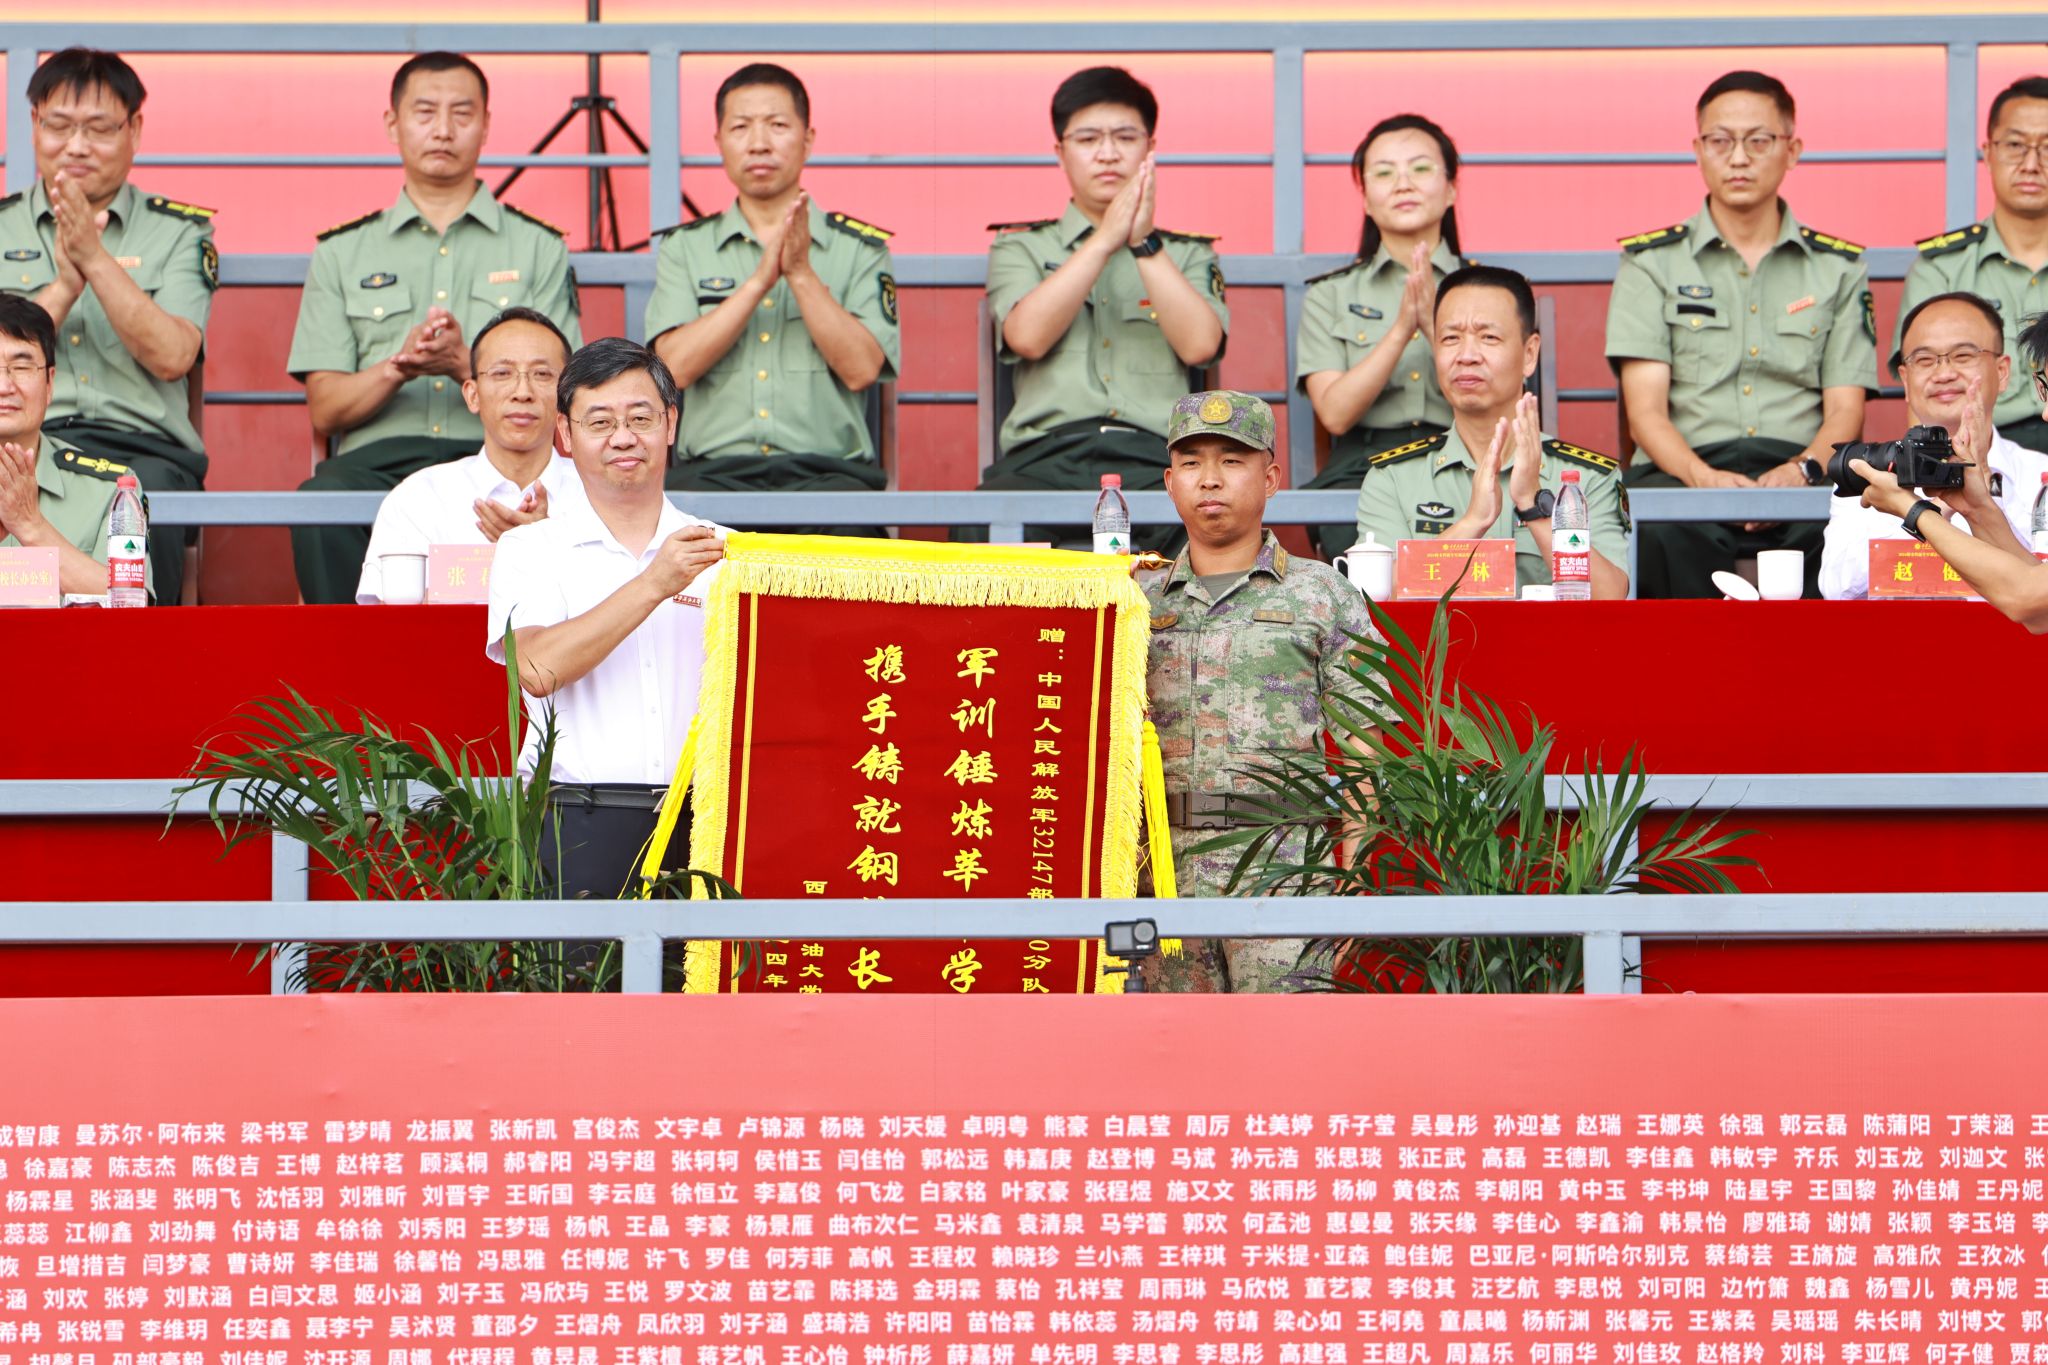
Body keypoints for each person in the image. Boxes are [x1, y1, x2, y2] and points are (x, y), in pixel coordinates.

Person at [289, 51, 583, 605]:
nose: (443, 130)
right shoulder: (342, 252)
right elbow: (325, 409)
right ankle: (341, 662)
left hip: (504, 454)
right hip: (378, 458)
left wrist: (464, 363)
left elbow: (567, 387)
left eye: (461, 113)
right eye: (425, 112)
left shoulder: (539, 246)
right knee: (320, 501)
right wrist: (397, 367)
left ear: (486, 125)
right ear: (393, 124)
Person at [1136, 390, 1380, 994]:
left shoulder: (1322, 594)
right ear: (1170, 483)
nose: (1210, 479)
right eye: (1191, 463)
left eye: (1232, 461)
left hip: (1283, 866)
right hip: (1161, 875)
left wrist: (1354, 882)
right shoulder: (1135, 599)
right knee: (1171, 1050)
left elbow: (1365, 753)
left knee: (1288, 1048)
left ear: (1270, 479)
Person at [1605, 70, 1876, 599]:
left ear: (1792, 150)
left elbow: (1846, 408)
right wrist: (1701, 477)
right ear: (1698, 151)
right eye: (1720, 141)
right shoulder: (1651, 264)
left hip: (1803, 463)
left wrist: (1802, 470)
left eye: (1758, 141)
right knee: (1661, 529)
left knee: (1851, 523)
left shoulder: (1838, 269)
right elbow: (1645, 413)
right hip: (1683, 466)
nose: (1738, 158)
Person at [487, 337, 727, 899]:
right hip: (577, 818)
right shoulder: (530, 549)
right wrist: (653, 584)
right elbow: (537, 669)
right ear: (566, 435)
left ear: (670, 424)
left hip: (708, 819)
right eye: (600, 422)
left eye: (640, 418)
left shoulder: (725, 550)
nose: (623, 437)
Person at [980, 66, 1229, 548]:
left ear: (1149, 148)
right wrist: (1104, 239)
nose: (1108, 153)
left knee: (1213, 536)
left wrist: (1143, 244)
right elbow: (1026, 337)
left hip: (1157, 459)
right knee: (978, 530)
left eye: (1125, 137)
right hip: (1043, 461)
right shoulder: (1020, 247)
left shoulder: (1187, 254)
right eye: (1089, 138)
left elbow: (1201, 346)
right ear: (1061, 151)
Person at [646, 63, 898, 534]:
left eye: (778, 125)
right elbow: (671, 369)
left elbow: (863, 369)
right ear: (719, 141)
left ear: (808, 139)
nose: (759, 143)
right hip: (710, 480)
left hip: (830, 480)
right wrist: (758, 283)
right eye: (741, 127)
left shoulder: (859, 250)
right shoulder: (685, 248)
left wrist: (800, 274)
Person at [0, 48, 212, 606]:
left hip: (142, 447)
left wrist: (94, 260)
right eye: (59, 126)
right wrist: (65, 286)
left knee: (147, 495)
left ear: (133, 130)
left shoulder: (178, 232)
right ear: (33, 124)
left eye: (97, 129)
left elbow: (174, 356)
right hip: (20, 433)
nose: (76, 146)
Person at [1355, 265, 1630, 597]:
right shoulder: (1394, 479)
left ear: (1529, 354)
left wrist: (1534, 506)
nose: (1467, 356)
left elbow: (1609, 597)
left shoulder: (1587, 478)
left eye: (1488, 337)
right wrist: (1471, 523)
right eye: (1451, 338)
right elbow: (1377, 598)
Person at [1296, 113, 1468, 559]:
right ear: (1366, 199)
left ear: (1451, 189)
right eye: (1385, 172)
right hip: (1362, 466)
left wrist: (1433, 327)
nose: (1403, 183)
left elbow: (1505, 404)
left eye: (1421, 168)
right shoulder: (1330, 294)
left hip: (1467, 455)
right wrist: (1402, 329)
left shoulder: (1490, 290)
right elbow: (1335, 415)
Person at [1822, 292, 2048, 599]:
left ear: (2002, 372)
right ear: (1905, 380)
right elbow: (1836, 589)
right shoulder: (1867, 471)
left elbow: (2036, 592)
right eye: (1925, 360)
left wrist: (1980, 505)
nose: (1944, 374)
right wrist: (1932, 511)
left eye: (1963, 356)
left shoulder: (2041, 474)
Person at [356, 307, 579, 603]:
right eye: (502, 373)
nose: (522, 392)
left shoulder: (601, 496)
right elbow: (390, 619)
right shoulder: (419, 499)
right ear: (473, 395)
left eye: (542, 374)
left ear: (567, 397)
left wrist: (546, 549)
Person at [1897, 77, 2048, 455]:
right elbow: (1923, 396)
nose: (2031, 164)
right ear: (1988, 152)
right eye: (2015, 145)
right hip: (1979, 450)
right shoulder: (1942, 268)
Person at [0, 295, 153, 598]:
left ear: (50, 383)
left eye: (22, 367)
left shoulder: (110, 492)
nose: (5, 386)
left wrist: (31, 527)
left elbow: (131, 602)